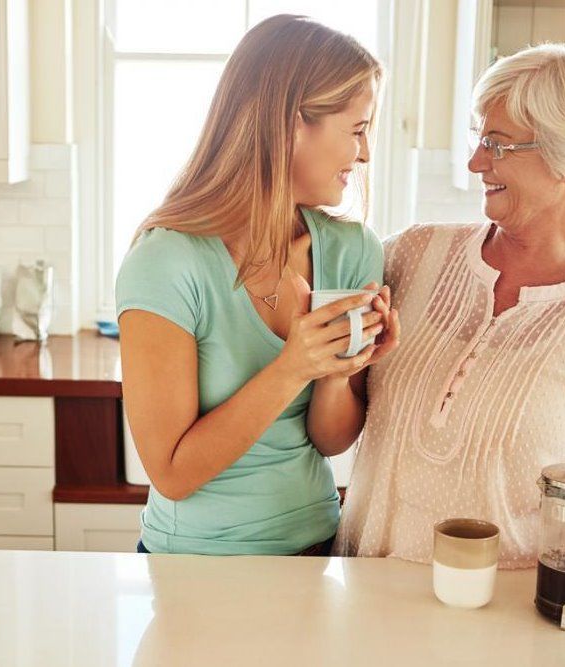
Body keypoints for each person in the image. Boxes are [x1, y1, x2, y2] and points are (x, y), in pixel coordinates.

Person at [336, 43, 565, 615]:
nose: (475, 161)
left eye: (497, 144)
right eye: (479, 138)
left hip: (508, 612)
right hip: (367, 595)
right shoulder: (411, 255)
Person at [116, 15, 400, 556]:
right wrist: (293, 364)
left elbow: (331, 438)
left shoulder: (353, 249)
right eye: (358, 130)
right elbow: (173, 474)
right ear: (293, 124)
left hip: (316, 546)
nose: (364, 154)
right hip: (197, 563)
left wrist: (338, 371)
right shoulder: (167, 262)